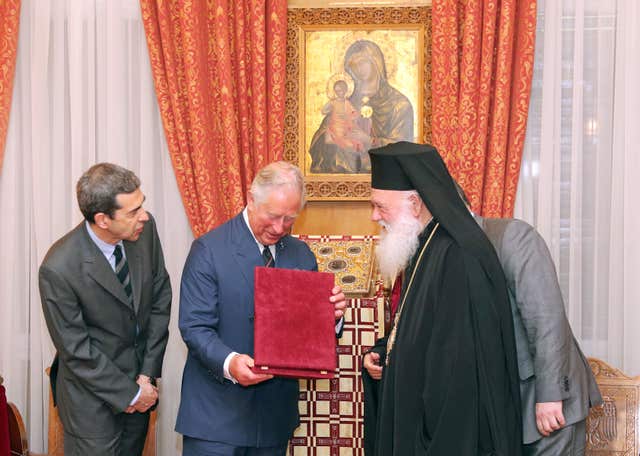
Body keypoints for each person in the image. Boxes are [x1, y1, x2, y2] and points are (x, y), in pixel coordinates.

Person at [175, 161, 347, 455]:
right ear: (251, 199)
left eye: (290, 219)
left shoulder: (301, 254)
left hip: (272, 420)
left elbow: (305, 333)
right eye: (273, 216)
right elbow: (194, 327)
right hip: (216, 419)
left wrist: (330, 318)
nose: (280, 228)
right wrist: (230, 363)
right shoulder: (209, 250)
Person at [364, 142, 522, 455]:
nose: (374, 216)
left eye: (381, 206)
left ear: (414, 202)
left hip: (444, 434)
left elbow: (458, 369)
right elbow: (415, 328)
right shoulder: (421, 246)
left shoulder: (457, 255)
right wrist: (385, 351)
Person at [39, 163, 171, 455]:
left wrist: (146, 376)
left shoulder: (145, 232)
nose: (144, 216)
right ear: (103, 219)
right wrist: (131, 393)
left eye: (142, 205)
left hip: (140, 386)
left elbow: (160, 298)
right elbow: (77, 350)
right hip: (91, 405)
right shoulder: (59, 268)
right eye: (132, 212)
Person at [461, 187, 602, 455]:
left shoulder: (510, 236)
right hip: (505, 403)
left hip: (545, 401)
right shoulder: (452, 251)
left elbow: (546, 318)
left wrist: (550, 395)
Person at [309, 40, 414, 174]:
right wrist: (333, 136)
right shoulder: (345, 102)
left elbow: (404, 149)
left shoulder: (399, 104)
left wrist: (369, 140)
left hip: (387, 179)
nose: (359, 69)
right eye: (353, 65)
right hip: (345, 181)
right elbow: (321, 139)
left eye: (363, 62)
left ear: (377, 63)